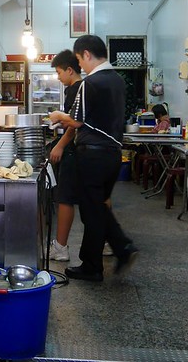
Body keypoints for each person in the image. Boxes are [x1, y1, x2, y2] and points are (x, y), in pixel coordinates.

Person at [50, 35, 139, 282]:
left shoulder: (92, 82)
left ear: (86, 55)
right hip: (113, 154)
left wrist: (58, 115)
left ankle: (119, 249)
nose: (81, 65)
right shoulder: (119, 81)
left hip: (93, 154)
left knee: (94, 210)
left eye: (79, 59)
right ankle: (93, 264)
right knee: (95, 207)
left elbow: (76, 121)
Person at [46, 49, 83, 262]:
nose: (58, 78)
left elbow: (74, 125)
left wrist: (59, 146)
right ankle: (106, 241)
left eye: (59, 73)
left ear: (70, 70)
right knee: (94, 199)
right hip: (86, 152)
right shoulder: (84, 88)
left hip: (73, 151)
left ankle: (60, 248)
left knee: (65, 198)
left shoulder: (74, 89)